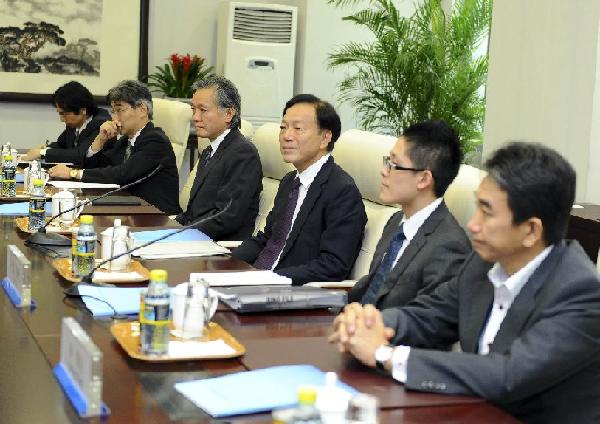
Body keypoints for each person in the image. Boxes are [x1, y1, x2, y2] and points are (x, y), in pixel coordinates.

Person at [329, 142, 600, 423]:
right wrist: (370, 324)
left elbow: (507, 375)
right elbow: (428, 316)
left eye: (487, 211)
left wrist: (385, 354)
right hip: (473, 412)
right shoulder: (482, 264)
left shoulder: (580, 293)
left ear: (531, 230)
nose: (472, 224)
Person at [233, 94, 367, 285]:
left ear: (325, 138)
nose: (286, 136)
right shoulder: (290, 181)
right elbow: (268, 239)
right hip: (256, 282)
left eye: (298, 129)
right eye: (283, 127)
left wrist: (271, 279)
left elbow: (332, 266)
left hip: (289, 293)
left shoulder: (342, 191)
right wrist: (226, 265)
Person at [347, 120, 470, 309]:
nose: (383, 171)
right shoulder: (397, 221)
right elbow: (374, 289)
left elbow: (427, 322)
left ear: (424, 179)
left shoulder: (450, 247)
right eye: (387, 161)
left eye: (394, 165)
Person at [48, 80, 181, 215]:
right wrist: (99, 140)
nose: (114, 118)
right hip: (131, 210)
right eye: (113, 111)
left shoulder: (155, 141)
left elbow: (121, 174)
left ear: (142, 110)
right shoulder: (125, 141)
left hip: (158, 218)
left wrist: (73, 173)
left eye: (119, 110)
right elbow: (97, 168)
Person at [175, 76, 262, 241]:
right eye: (194, 109)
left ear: (228, 113)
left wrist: (181, 234)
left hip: (220, 249)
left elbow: (226, 217)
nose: (195, 117)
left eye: (203, 109)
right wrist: (167, 228)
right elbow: (195, 212)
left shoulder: (242, 153)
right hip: (197, 238)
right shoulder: (209, 150)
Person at [23, 81, 110, 166]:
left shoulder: (102, 123)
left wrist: (43, 153)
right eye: (59, 113)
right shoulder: (74, 123)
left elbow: (80, 154)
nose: (61, 119)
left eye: (63, 113)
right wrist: (45, 148)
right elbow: (61, 144)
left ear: (83, 110)